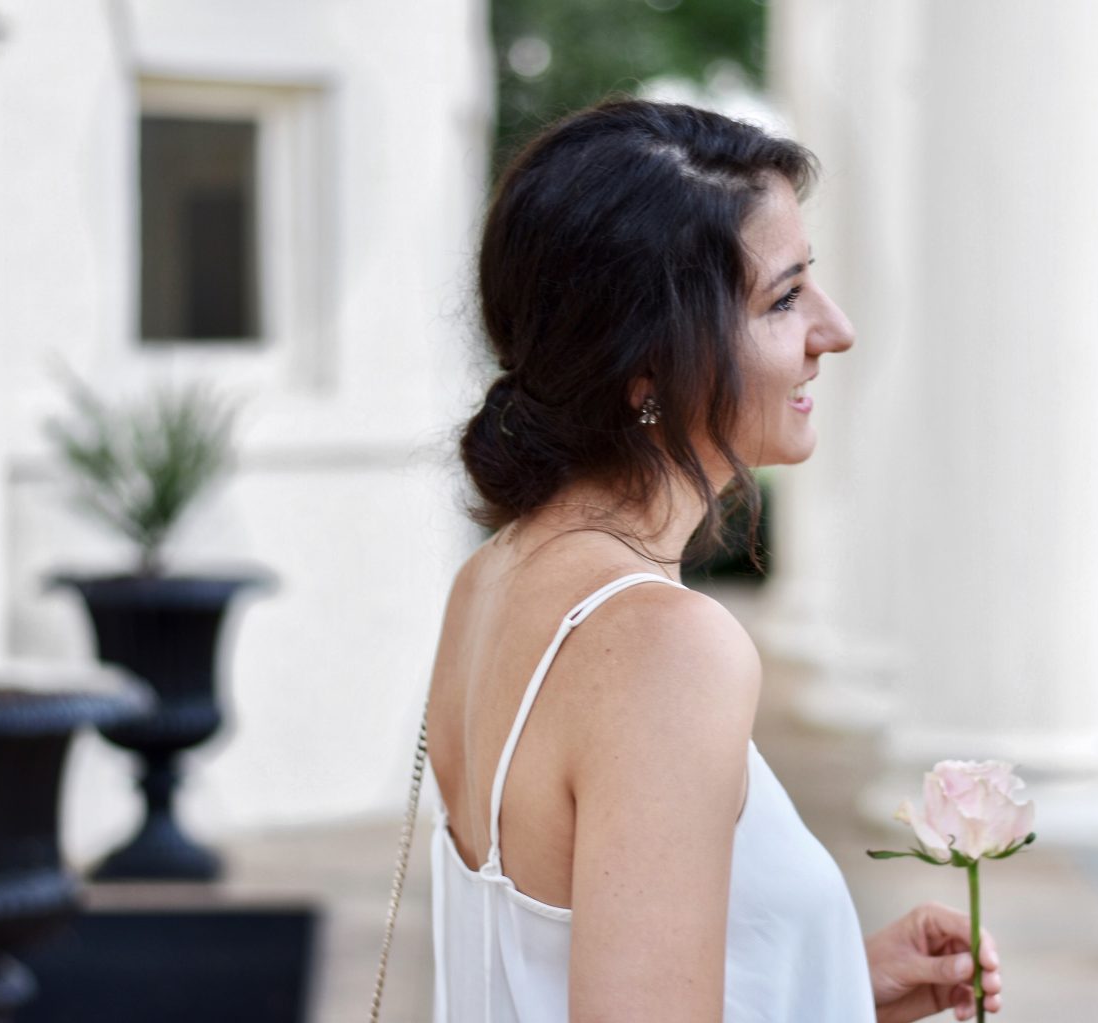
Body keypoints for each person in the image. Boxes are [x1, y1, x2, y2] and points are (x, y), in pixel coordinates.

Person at [424, 97, 1004, 1022]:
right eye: (783, 298)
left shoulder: (491, 578)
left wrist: (835, 982)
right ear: (645, 365)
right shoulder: (665, 645)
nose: (835, 328)